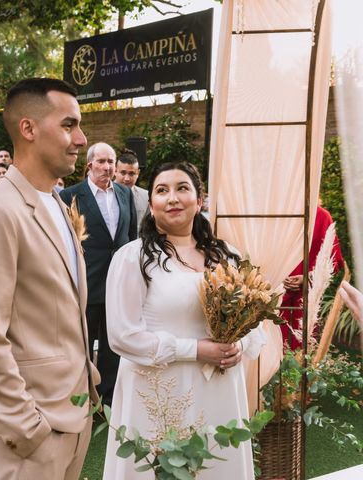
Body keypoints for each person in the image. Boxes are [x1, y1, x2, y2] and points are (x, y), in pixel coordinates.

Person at [0, 78, 99, 480]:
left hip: (73, 416)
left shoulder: (56, 202)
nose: (81, 138)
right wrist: (27, 429)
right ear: (29, 129)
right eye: (69, 125)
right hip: (32, 434)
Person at [103, 161, 265, 480]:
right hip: (159, 391)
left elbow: (255, 318)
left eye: (182, 188)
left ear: (199, 200)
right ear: (151, 206)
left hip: (218, 389)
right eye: (162, 191)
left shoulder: (228, 256)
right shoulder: (133, 258)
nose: (172, 198)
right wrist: (195, 350)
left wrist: (239, 343)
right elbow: (121, 335)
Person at [60, 142, 137, 407]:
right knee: (81, 346)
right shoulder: (70, 195)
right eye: (102, 161)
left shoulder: (125, 195)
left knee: (112, 348)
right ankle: (79, 401)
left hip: (118, 285)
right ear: (89, 165)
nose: (107, 167)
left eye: (111, 162)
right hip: (86, 283)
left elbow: (131, 239)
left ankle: (108, 402)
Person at [279, 206, 344, 349]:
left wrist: (307, 277)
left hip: (304, 300)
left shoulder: (321, 216)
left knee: (299, 352)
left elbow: (331, 261)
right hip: (271, 295)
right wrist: (276, 277)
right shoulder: (274, 212)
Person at [114, 150, 148, 230]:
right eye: (123, 173)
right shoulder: (103, 194)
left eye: (131, 174)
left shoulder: (146, 196)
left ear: (138, 173)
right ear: (115, 171)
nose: (127, 179)